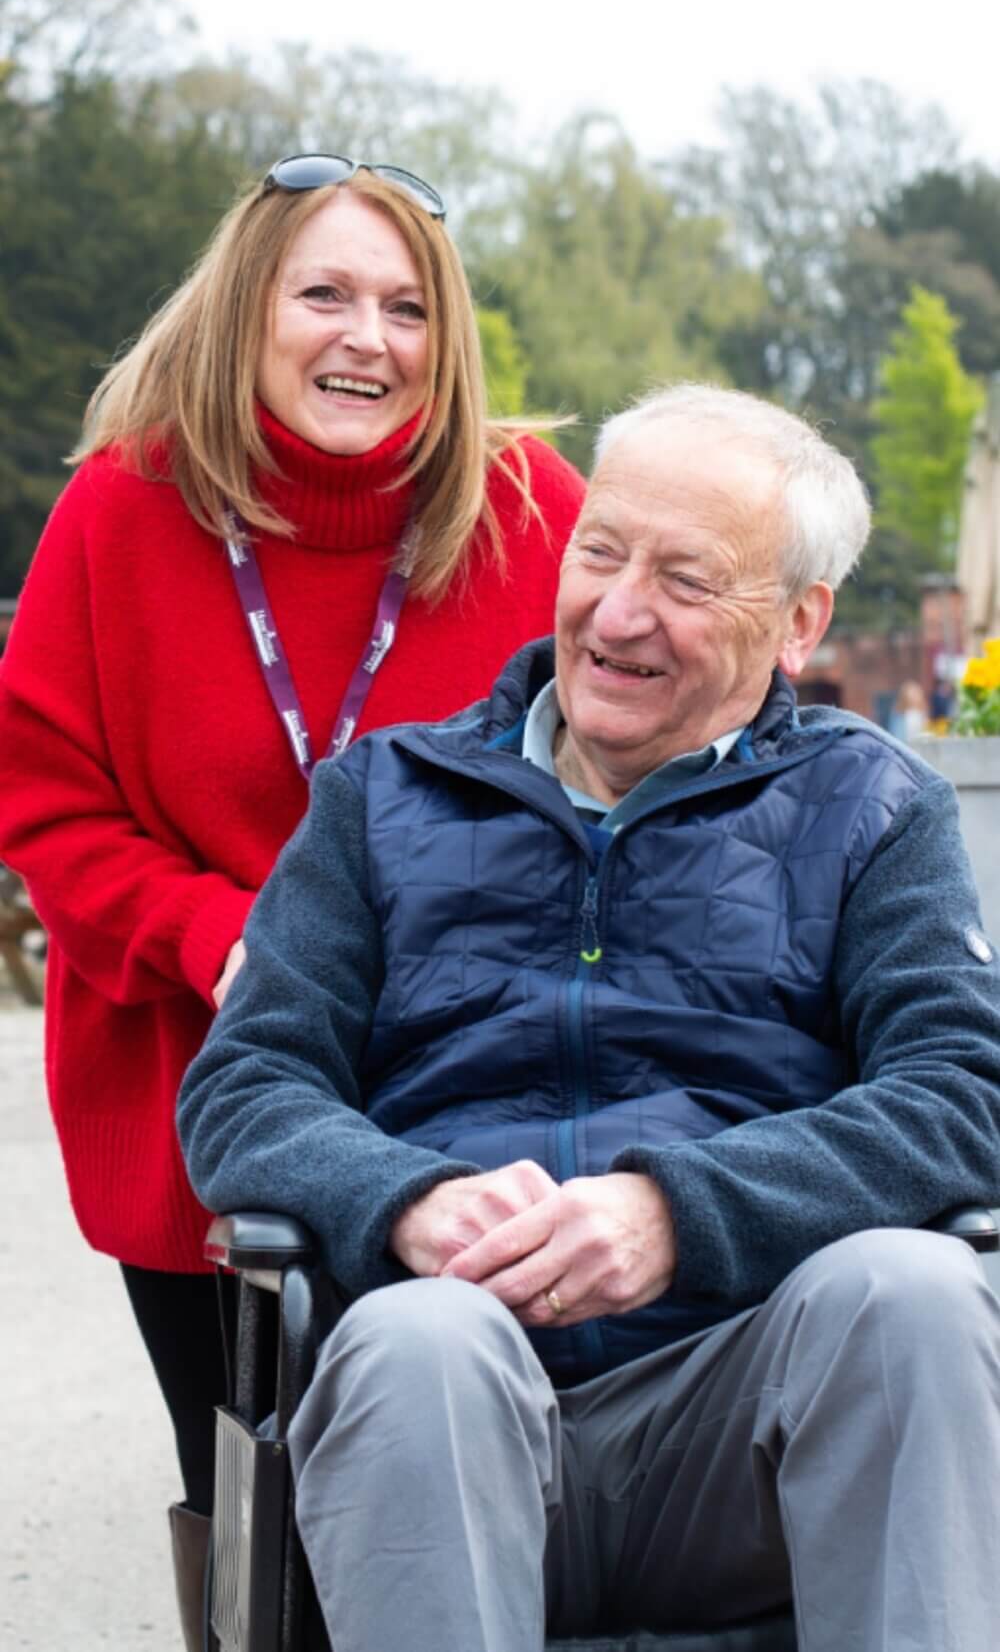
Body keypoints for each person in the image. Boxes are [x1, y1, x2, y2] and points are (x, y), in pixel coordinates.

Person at [179, 382, 1000, 1652]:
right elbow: (244, 1085)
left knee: (914, 1291)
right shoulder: (381, 797)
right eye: (601, 550)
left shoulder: (873, 809)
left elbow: (965, 1093)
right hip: (448, 1408)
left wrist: (681, 1212)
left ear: (796, 623)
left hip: (746, 1420)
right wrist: (402, 1196)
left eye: (685, 579)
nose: (618, 613)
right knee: (423, 1342)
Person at [0, 152, 585, 1648]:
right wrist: (225, 934)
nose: (366, 338)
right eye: (323, 292)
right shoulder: (121, 510)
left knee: (451, 1489)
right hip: (194, 1089)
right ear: (245, 308)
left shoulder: (531, 508)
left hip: (468, 1094)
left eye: (405, 307)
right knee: (254, 1495)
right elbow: (46, 801)